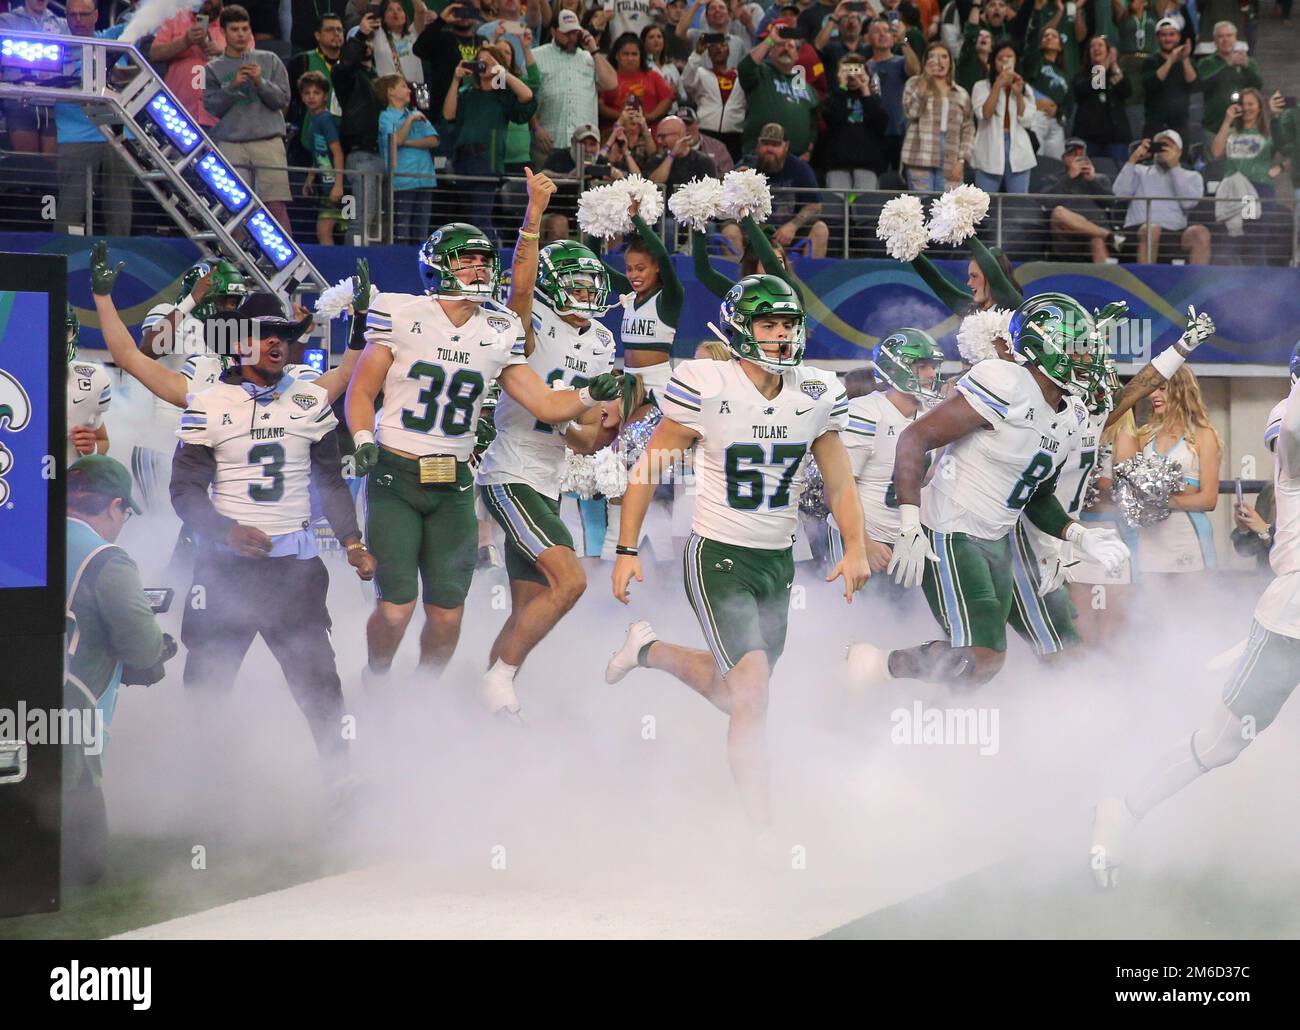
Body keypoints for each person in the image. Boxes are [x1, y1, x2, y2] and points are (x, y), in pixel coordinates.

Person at [606, 274, 869, 830]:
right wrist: (627, 547)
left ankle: (648, 650)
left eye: (788, 324)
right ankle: (762, 830)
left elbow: (841, 481)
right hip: (719, 555)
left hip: (777, 562)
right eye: (768, 324)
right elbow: (649, 467)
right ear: (741, 328)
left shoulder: (816, 391)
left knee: (738, 693)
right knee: (751, 692)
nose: (780, 336)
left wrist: (855, 546)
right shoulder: (707, 383)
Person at [344, 197, 621, 694]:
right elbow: (361, 391)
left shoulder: (499, 330)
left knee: (448, 618)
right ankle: (377, 678)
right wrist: (364, 437)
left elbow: (542, 401)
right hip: (395, 471)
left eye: (482, 261)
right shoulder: (401, 311)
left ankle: (423, 694)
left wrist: (585, 395)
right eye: (465, 259)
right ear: (437, 267)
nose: (477, 268)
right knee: (396, 606)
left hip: (453, 481)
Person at [846, 294, 1131, 689]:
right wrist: (910, 523)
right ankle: (883, 668)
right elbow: (914, 438)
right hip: (951, 528)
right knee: (982, 657)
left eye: (1088, 349)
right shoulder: (1005, 381)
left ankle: (905, 696)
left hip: (996, 536)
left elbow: (1038, 497)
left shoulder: (1070, 415)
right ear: (1042, 347)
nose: (1087, 359)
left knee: (980, 665)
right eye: (1075, 349)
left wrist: (1080, 535)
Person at [1090, 364, 1300, 889]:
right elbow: (1290, 426)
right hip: (1291, 617)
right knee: (1221, 743)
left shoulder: (1206, 434)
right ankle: (1124, 807)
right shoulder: (1289, 425)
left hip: (1215, 567)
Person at [170, 302, 376, 812]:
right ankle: (200, 783)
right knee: (207, 679)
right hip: (225, 570)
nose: (277, 343)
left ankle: (340, 779)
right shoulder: (208, 402)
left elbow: (329, 480)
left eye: (284, 334)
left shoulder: (308, 400)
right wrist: (226, 530)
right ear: (237, 341)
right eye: (265, 335)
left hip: (293, 568)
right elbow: (185, 490)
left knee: (318, 679)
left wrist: (352, 540)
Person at [475, 235, 621, 717]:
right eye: (575, 283)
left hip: (550, 477)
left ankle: (486, 698)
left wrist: (602, 427)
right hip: (511, 469)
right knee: (572, 581)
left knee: (530, 608)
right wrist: (533, 218)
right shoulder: (530, 317)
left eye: (590, 284)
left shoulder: (600, 340)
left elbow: (582, 441)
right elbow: (520, 290)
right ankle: (498, 679)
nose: (585, 293)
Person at [64, 455, 167, 884]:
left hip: (14, 706)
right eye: (125, 512)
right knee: (83, 872)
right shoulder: (107, 558)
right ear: (113, 506)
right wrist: (158, 652)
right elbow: (143, 648)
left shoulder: (19, 535)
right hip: (69, 727)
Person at [828, 329, 944, 583]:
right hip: (858, 536)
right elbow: (838, 487)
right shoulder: (866, 412)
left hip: (903, 541)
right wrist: (862, 543)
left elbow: (923, 481)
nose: (932, 374)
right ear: (893, 369)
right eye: (922, 366)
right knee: (850, 618)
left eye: (933, 366)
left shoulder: (931, 414)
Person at [1115, 365, 1221, 580]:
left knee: (1193, 611)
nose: (1153, 395)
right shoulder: (1143, 436)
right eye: (1152, 389)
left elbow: (1209, 499)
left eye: (1162, 389)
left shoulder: (1203, 435)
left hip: (1188, 536)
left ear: (1180, 391)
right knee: (1151, 610)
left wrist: (1160, 502)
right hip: (1149, 540)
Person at [203, 4, 294, 232]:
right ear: (223, 32)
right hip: (231, 143)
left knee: (275, 205)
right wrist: (232, 86)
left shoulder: (270, 60)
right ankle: (239, 261)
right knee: (234, 206)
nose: (241, 34)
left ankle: (286, 262)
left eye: (245, 28)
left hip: (268, 141)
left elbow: (282, 100)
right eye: (235, 29)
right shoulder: (213, 68)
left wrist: (260, 82)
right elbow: (212, 106)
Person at [442, 44, 537, 243]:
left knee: (480, 216)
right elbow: (449, 114)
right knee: (466, 217)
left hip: (487, 161)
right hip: (463, 161)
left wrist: (503, 72)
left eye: (488, 60)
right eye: (480, 61)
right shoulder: (468, 93)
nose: (483, 65)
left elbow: (527, 96)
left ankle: (491, 253)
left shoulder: (502, 95)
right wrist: (456, 78)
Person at [54, 0, 133, 237]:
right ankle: (63, 259)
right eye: (72, 15)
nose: (77, 20)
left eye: (84, 14)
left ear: (97, 14)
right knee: (70, 208)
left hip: (117, 138)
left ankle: (121, 257)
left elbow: (149, 17)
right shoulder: (57, 47)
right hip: (74, 139)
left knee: (118, 212)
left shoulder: (117, 37)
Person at [607, 199, 685, 399]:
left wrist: (636, 218)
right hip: (628, 382)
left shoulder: (669, 296)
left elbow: (663, 255)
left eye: (641, 269)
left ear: (656, 266)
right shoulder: (630, 293)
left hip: (657, 386)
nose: (634, 275)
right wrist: (599, 222)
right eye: (629, 269)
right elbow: (598, 264)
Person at [529, 9, 619, 159]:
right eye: (566, 33)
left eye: (575, 33)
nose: (572, 38)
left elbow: (611, 83)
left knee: (584, 183)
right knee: (544, 183)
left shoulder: (589, 58)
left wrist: (594, 49)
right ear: (553, 31)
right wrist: (536, 129)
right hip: (549, 141)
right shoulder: (536, 56)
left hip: (584, 146)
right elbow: (526, 97)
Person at [1113, 129, 1210, 263]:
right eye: (1159, 146)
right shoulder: (1139, 170)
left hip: (1175, 232)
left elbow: (1188, 203)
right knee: (1152, 229)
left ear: (1179, 152)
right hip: (1139, 230)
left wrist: (1174, 167)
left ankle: (1197, 283)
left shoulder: (1192, 176)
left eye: (1168, 146)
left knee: (1201, 233)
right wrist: (1133, 159)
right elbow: (1120, 194)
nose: (1163, 150)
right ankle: (1144, 281)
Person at [736, 123, 829, 257]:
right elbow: (726, 197)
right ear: (758, 145)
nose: (769, 149)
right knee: (730, 231)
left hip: (787, 232)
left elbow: (815, 206)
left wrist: (793, 226)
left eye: (775, 145)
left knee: (820, 230)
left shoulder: (800, 168)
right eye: (765, 144)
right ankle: (742, 274)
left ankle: (811, 276)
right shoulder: (746, 165)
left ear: (786, 147)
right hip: (752, 230)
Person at [334, 9, 385, 242]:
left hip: (379, 153)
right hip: (360, 153)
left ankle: (366, 269)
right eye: (365, 41)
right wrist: (360, 35)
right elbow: (346, 63)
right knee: (361, 218)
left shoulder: (374, 76)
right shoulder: (347, 76)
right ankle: (352, 271)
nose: (369, 45)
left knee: (374, 220)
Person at [900, 41, 975, 191]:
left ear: (950, 62)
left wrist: (961, 161)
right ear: (926, 61)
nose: (939, 61)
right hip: (920, 157)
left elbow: (968, 129)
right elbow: (911, 112)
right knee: (921, 209)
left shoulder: (961, 93)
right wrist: (924, 81)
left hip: (951, 158)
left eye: (944, 57)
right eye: (933, 57)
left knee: (948, 210)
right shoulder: (914, 83)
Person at [738, 25, 821, 159]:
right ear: (770, 52)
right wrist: (770, 40)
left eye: (791, 46)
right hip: (758, 156)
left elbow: (814, 125)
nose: (786, 48)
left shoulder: (808, 88)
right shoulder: (761, 73)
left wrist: (809, 151)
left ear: (797, 55)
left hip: (795, 160)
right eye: (780, 45)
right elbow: (745, 67)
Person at [1039, 137, 1124, 262]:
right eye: (1072, 155)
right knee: (1059, 212)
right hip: (1067, 235)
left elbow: (1111, 203)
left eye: (1081, 155)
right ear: (1064, 158)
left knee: (1097, 240)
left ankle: (1105, 279)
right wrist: (1069, 178)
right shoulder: (1053, 179)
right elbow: (1046, 203)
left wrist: (1093, 181)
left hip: (1094, 233)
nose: (1077, 159)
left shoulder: (1099, 179)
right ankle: (1110, 236)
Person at [0, 0, 68, 154]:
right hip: (19, 103)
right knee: (28, 162)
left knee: (51, 165)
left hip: (53, 104)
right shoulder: (6, 21)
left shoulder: (63, 24)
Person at [378, 74, 439, 244]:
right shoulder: (386, 117)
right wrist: (410, 121)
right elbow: (395, 141)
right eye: (403, 86)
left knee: (422, 232)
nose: (408, 90)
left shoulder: (416, 113)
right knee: (402, 230)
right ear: (391, 92)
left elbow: (433, 140)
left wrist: (407, 142)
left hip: (425, 178)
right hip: (402, 180)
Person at [824, 52, 891, 205]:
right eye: (848, 70)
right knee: (837, 208)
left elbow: (880, 123)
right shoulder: (835, 97)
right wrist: (841, 86)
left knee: (865, 209)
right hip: (838, 163)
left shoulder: (872, 99)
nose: (852, 75)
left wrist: (865, 89)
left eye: (856, 69)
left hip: (867, 164)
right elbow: (832, 117)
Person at [971, 42, 1037, 193]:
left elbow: (1027, 120)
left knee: (1017, 206)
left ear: (1016, 61)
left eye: (1009, 58)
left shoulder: (1024, 88)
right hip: (988, 149)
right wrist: (997, 86)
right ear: (994, 62)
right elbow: (984, 114)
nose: (1005, 62)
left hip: (1018, 151)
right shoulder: (981, 86)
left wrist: (1019, 94)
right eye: (1001, 58)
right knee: (984, 206)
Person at [681, 30, 748, 160]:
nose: (718, 49)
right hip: (707, 131)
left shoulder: (741, 76)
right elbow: (686, 82)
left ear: (729, 50)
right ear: (708, 52)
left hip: (734, 133)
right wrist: (697, 53)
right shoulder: (701, 73)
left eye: (722, 45)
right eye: (713, 46)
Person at [286, 12, 345, 157]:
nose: (336, 33)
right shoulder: (301, 61)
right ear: (318, 35)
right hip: (307, 138)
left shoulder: (350, 63)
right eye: (330, 30)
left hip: (343, 137)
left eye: (339, 30)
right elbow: (288, 98)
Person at [300, 70, 348, 245]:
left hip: (337, 187)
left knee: (325, 230)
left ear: (325, 96)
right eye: (307, 93)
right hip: (328, 186)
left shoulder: (325, 119)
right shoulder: (314, 121)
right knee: (332, 230)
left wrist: (338, 184)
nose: (311, 97)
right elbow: (320, 152)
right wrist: (311, 177)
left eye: (316, 93)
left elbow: (337, 152)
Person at [866, 14, 919, 170]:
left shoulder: (901, 61)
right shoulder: (864, 66)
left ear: (893, 37)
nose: (882, 34)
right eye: (877, 31)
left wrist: (903, 39)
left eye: (887, 31)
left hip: (898, 131)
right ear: (869, 38)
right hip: (873, 132)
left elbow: (915, 70)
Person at [1071, 34, 1132, 166]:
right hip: (1089, 137)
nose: (1096, 49)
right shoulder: (1081, 75)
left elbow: (1127, 91)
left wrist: (1114, 64)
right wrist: (1103, 67)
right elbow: (1089, 88)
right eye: (1092, 46)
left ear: (1108, 51)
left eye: (1100, 45)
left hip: (1116, 138)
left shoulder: (1117, 72)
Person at [599, 32, 677, 133]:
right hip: (615, 131)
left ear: (641, 56)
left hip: (650, 132)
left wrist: (651, 116)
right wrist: (623, 117)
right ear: (617, 56)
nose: (630, 58)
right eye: (625, 54)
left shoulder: (652, 75)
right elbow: (601, 106)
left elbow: (668, 98)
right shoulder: (607, 77)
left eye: (634, 54)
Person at [65, 306, 112, 469]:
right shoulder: (8, 376)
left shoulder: (93, 380)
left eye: (64, 329)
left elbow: (103, 441)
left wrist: (91, 449)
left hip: (65, 483)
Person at [1212, 88, 1280, 196]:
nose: (1246, 108)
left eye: (1250, 104)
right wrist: (1227, 120)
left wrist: (1280, 167)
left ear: (1259, 107)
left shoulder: (1268, 132)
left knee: (1253, 213)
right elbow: (1216, 152)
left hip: (1259, 186)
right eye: (1243, 104)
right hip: (1233, 187)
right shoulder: (1230, 132)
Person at [1140, 16, 1195, 139]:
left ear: (1179, 37)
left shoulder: (1186, 62)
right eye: (1163, 35)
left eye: (1171, 34)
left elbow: (1194, 85)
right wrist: (1171, 59)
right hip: (1155, 123)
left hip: (1179, 124)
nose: (1168, 38)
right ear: (1157, 38)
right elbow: (1151, 85)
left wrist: (1185, 58)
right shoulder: (1150, 61)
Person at [1023, 24, 1071, 159]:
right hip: (1037, 115)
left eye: (1053, 36)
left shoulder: (1065, 74)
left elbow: (1069, 103)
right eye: (1045, 36)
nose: (1049, 37)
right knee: (1035, 157)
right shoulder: (1036, 61)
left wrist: (1058, 111)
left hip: (1056, 122)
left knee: (1056, 163)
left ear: (1060, 46)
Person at [644, 114, 719, 186]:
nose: (659, 141)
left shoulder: (703, 162)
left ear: (679, 135)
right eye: (658, 137)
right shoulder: (657, 159)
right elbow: (653, 185)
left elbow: (710, 192)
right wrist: (671, 155)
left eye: (663, 136)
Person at [373, 0, 430, 88]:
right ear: (383, 19)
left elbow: (421, 10)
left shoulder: (413, 34)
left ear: (405, 16)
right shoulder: (378, 35)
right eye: (390, 10)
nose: (395, 12)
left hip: (415, 93)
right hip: (390, 94)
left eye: (399, 9)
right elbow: (373, 5)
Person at [679, 105, 734, 175]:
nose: (686, 129)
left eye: (689, 124)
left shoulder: (717, 147)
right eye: (681, 125)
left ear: (698, 124)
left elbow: (728, 177)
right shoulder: (670, 150)